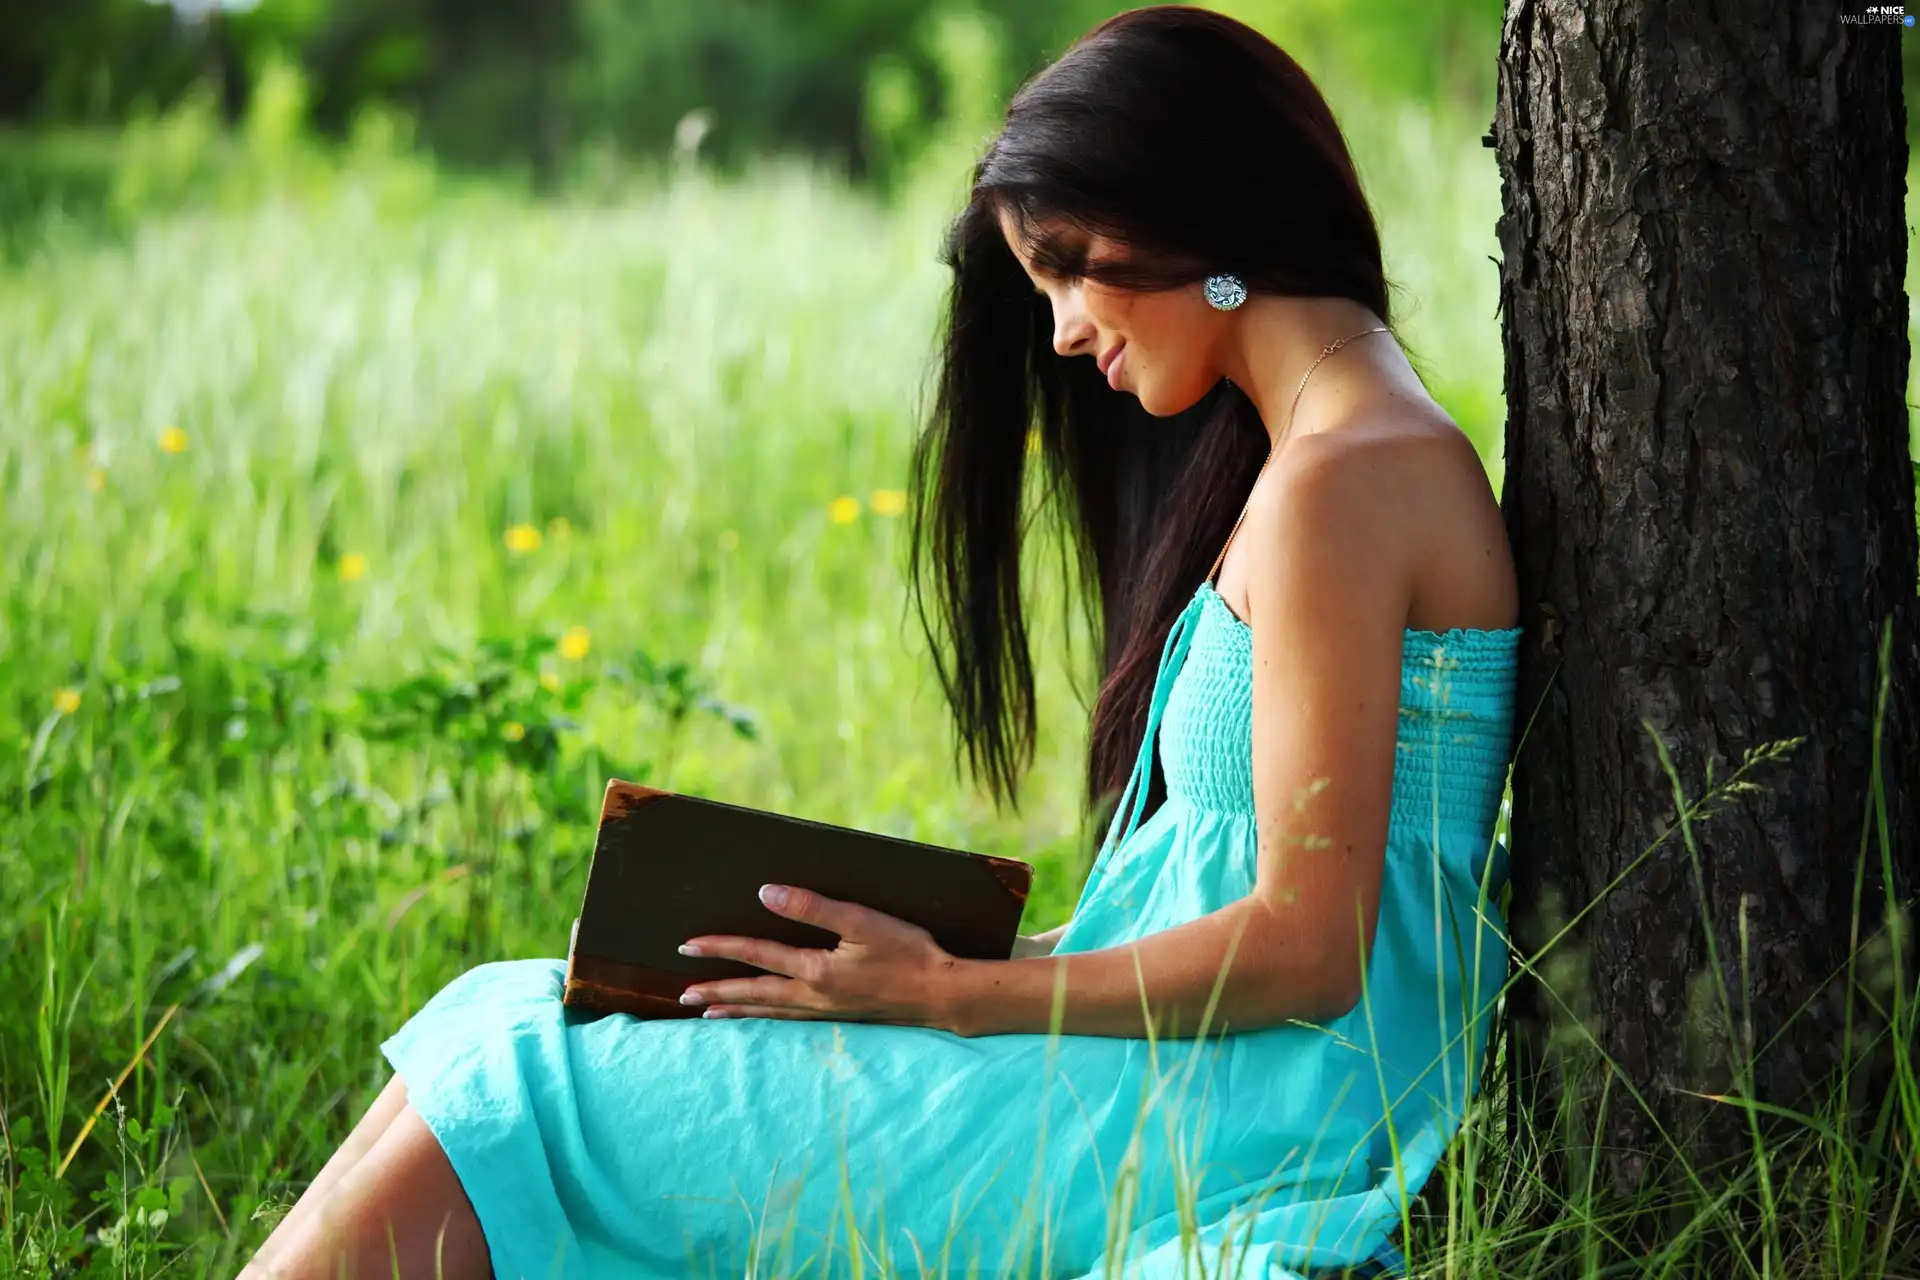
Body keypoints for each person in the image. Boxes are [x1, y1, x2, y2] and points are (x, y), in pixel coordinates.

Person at [241, 6, 1521, 1278]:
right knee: (507, 1018)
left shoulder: (1340, 486)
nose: (1067, 327)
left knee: (531, 1082)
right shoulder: (1337, 460)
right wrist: (947, 958)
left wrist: (957, 997)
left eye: (1073, 263)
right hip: (1187, 1064)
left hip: (1233, 1109)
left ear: (1196, 203)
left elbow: (1311, 942)